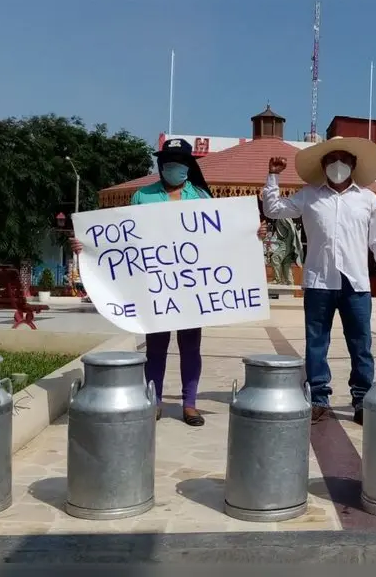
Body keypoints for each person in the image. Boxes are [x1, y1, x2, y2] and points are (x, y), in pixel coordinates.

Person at [70, 138, 266, 426]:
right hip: (156, 288)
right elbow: (125, 240)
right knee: (155, 349)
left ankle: (190, 404)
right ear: (161, 165)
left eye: (180, 162)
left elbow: (222, 237)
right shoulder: (142, 196)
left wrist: (252, 233)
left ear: (188, 165)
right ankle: (155, 400)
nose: (174, 167)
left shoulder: (201, 197)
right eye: (169, 161)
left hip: (192, 288)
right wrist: (87, 246)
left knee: (191, 348)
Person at [262, 136, 376, 426]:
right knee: (316, 343)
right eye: (331, 159)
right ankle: (318, 398)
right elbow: (273, 209)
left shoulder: (368, 199)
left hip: (355, 283)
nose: (338, 164)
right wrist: (273, 176)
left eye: (343, 159)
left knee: (361, 344)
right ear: (323, 165)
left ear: (353, 164)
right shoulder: (309, 195)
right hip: (318, 281)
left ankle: (362, 399)